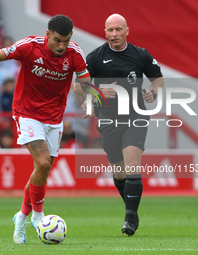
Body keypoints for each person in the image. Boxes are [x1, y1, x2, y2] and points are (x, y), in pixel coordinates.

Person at [0, 14, 90, 244]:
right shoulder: (31, 46)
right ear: (48, 35)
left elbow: (84, 82)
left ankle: (21, 216)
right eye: (57, 40)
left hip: (55, 118)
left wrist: (86, 93)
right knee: (42, 163)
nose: (62, 46)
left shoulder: (75, 53)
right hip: (27, 113)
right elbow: (6, 52)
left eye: (66, 40)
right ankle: (38, 216)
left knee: (41, 172)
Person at [75, 14, 164, 236]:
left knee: (133, 164)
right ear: (105, 32)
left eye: (118, 29)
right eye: (110, 30)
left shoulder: (140, 54)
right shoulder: (95, 57)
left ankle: (130, 218)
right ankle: (131, 208)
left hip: (136, 115)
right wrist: (95, 94)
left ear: (126, 30)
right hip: (107, 120)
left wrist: (153, 92)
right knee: (120, 172)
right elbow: (78, 87)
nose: (114, 34)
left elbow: (158, 78)